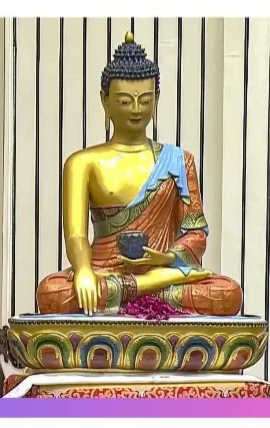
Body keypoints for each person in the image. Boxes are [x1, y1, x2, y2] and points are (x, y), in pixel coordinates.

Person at [36, 32, 243, 317]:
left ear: (156, 100)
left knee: (227, 293)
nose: (136, 109)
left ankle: (140, 287)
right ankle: (147, 286)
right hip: (105, 273)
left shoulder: (179, 161)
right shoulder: (82, 163)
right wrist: (83, 270)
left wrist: (166, 258)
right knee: (52, 293)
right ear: (105, 101)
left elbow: (195, 233)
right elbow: (76, 236)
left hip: (157, 275)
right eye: (124, 101)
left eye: (145, 100)